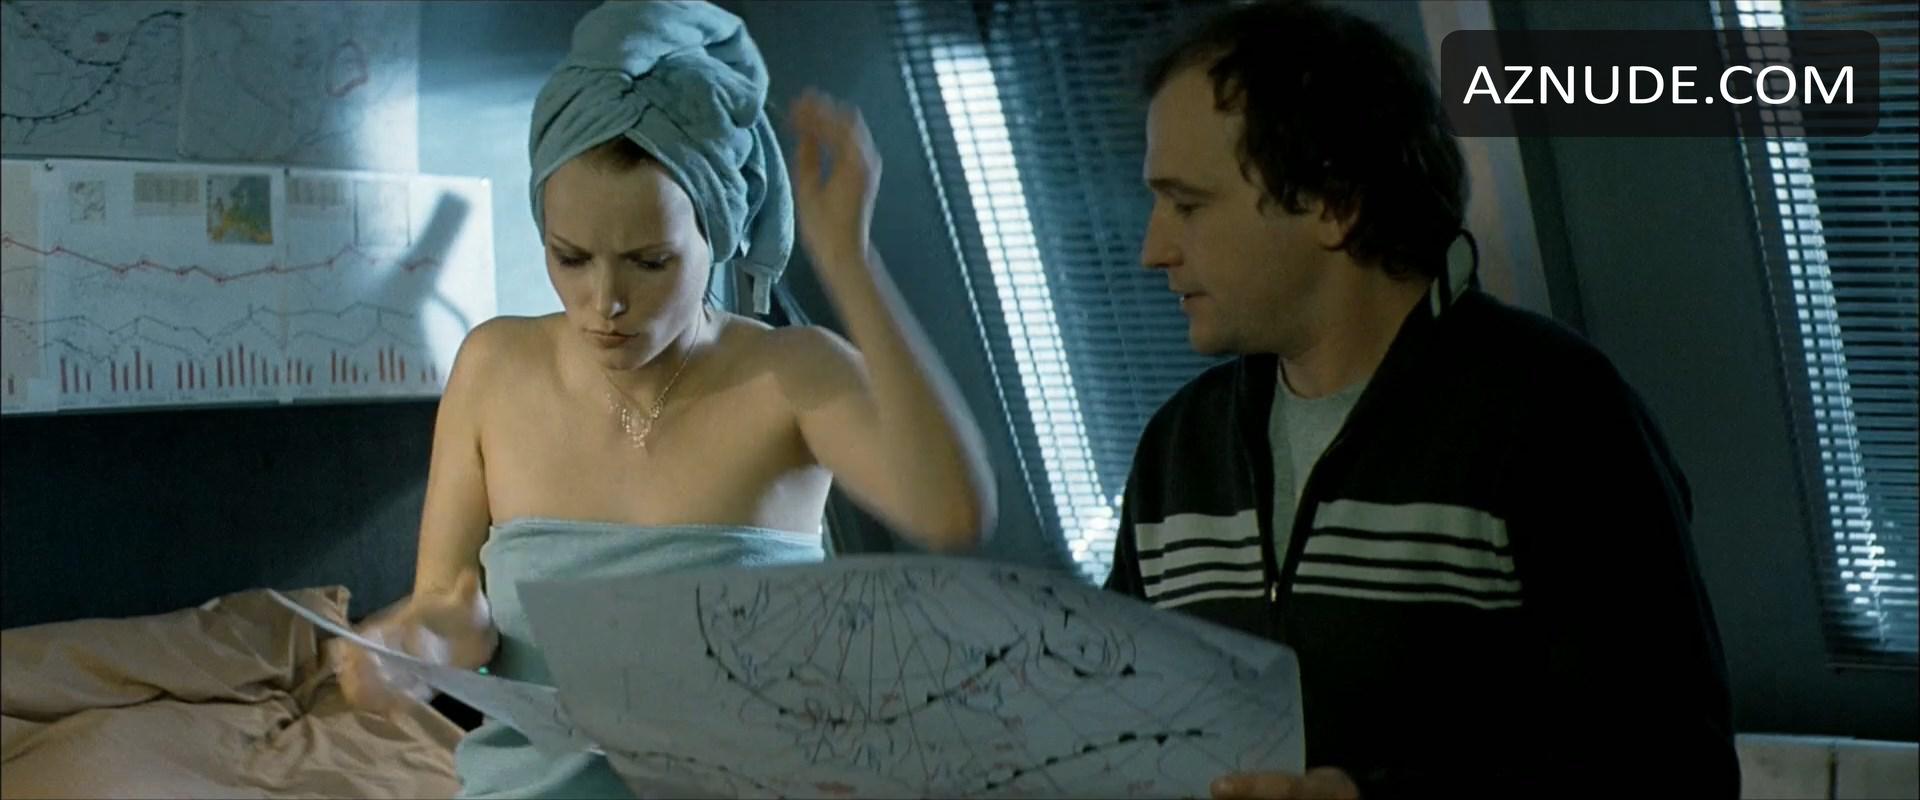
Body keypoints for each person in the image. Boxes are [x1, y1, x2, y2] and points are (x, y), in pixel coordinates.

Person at [328, 2, 996, 797]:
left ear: (717, 234)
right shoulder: (495, 367)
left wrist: (849, 262)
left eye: (650, 263)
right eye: (570, 257)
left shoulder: (792, 375)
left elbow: (950, 512)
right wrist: (406, 651)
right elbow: (452, 605)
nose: (605, 302)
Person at [1102, 2, 1739, 798]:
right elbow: (1116, 730)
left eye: (1188, 205)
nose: (1152, 250)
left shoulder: (1550, 414)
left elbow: (1676, 768)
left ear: (1332, 202)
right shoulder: (1176, 452)